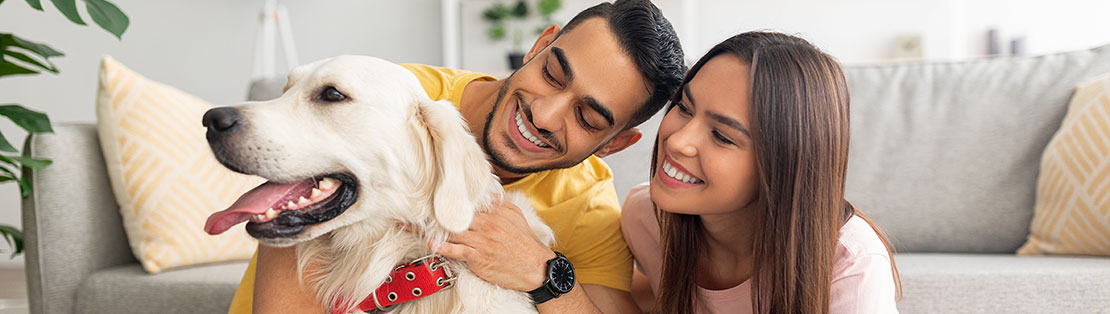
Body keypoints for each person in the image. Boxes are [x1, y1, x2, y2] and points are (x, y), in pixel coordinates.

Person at [228, 1, 687, 313]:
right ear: (539, 44)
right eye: (552, 73)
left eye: (587, 118)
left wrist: (543, 270)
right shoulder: (383, 100)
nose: (545, 114)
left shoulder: (588, 202)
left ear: (612, 145)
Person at [619, 32, 902, 313]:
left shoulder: (851, 265)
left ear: (783, 164)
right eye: (683, 107)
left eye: (722, 136)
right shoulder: (646, 218)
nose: (678, 141)